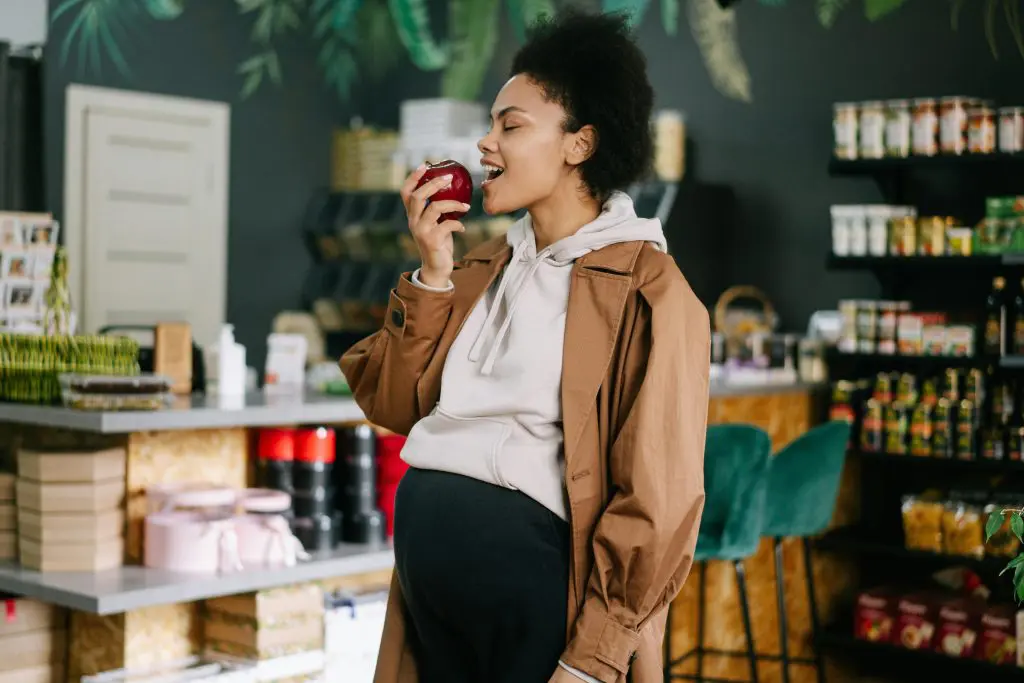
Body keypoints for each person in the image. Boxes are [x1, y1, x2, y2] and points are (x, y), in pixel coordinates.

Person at [341, 9, 709, 683]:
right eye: (490, 124)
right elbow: (392, 404)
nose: (485, 143)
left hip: (544, 606)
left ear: (580, 144)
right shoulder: (481, 265)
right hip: (431, 601)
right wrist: (431, 270)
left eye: (510, 125)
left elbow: (658, 498)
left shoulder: (648, 287)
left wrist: (592, 659)